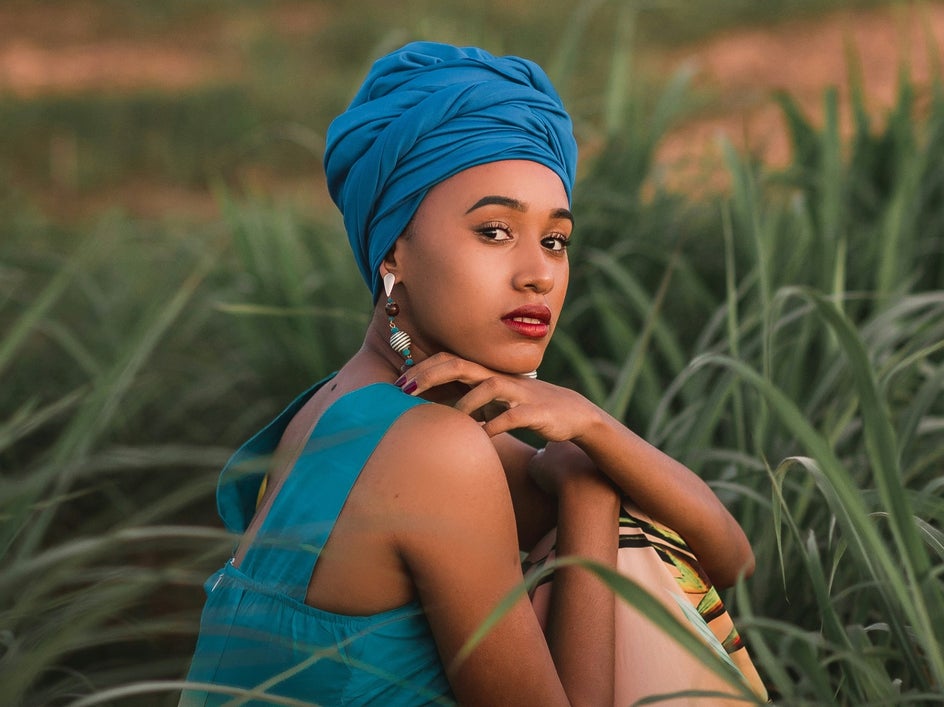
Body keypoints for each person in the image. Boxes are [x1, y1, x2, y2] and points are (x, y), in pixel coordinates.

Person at [181, 42, 768, 706]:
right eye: (494, 231)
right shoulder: (431, 449)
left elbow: (723, 560)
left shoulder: (351, 404)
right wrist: (588, 492)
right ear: (394, 248)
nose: (537, 273)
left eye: (554, 240)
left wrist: (592, 427)